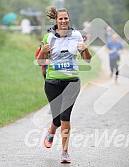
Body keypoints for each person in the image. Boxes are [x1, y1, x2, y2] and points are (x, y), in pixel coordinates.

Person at [36, 6, 91, 163]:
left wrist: (85, 49)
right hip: (52, 82)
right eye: (60, 18)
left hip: (72, 81)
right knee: (58, 118)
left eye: (66, 18)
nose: (63, 21)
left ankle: (65, 152)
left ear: (69, 19)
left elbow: (87, 59)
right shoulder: (48, 37)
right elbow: (40, 61)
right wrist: (43, 52)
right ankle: (51, 131)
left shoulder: (76, 35)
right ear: (56, 20)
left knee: (65, 116)